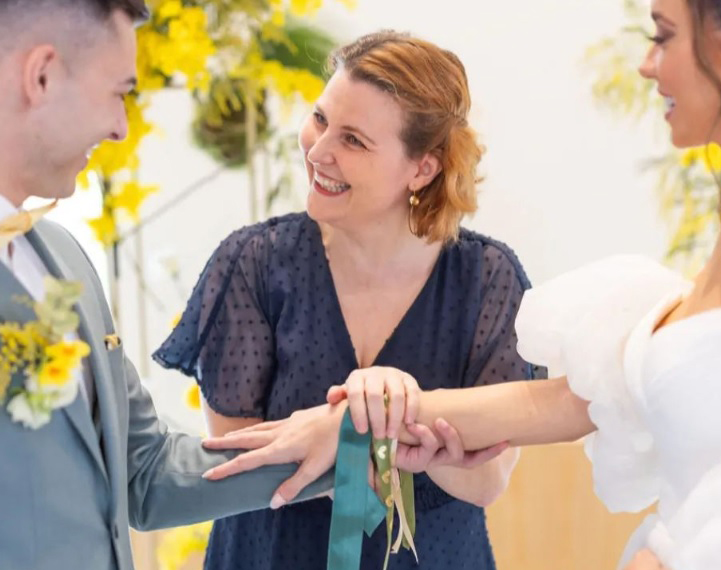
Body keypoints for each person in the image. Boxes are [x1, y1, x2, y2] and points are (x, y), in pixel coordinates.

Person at [203, 1, 721, 568]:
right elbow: (566, 404)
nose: (647, 64)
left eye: (663, 35)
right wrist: (368, 420)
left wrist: (671, 557)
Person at [153, 30, 539, 570]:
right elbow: (241, 463)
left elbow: (487, 478)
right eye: (320, 118)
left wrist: (369, 429)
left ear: (422, 168)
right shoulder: (254, 263)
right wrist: (387, 434)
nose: (318, 150)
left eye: (353, 140)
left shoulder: (489, 280)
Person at [0, 2, 332, 569]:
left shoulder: (65, 258)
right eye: (118, 91)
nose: (121, 127)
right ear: (41, 76)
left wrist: (336, 447)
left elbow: (145, 470)